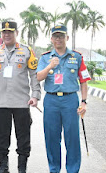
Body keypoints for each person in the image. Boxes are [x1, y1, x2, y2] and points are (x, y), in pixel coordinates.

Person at [0, 21, 41, 173]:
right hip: (1, 103)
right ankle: (3, 165)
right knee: (1, 137)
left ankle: (22, 167)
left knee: (23, 137)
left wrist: (35, 95)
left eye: (10, 32)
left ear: (16, 33)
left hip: (21, 102)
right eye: (4, 32)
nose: (6, 35)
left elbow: (34, 75)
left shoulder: (26, 51)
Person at [36, 25, 91, 173]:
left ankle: (72, 170)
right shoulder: (45, 57)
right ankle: (54, 169)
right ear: (51, 39)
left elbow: (84, 81)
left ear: (67, 38)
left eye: (61, 36)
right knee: (52, 138)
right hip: (51, 101)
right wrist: (49, 66)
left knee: (72, 137)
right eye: (55, 36)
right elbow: (39, 77)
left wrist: (84, 102)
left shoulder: (77, 57)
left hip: (70, 100)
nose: (58, 39)